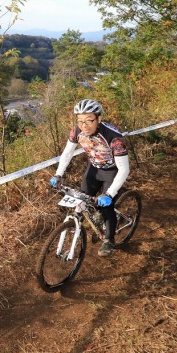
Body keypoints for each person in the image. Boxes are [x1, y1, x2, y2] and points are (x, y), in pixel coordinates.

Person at [49, 99, 130, 257]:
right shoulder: (77, 131)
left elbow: (124, 169)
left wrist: (110, 193)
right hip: (93, 168)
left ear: (98, 119)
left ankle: (109, 239)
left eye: (89, 120)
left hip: (113, 171)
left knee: (106, 207)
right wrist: (58, 174)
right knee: (83, 198)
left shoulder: (114, 138)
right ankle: (96, 218)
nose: (84, 125)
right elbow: (67, 154)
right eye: (80, 121)